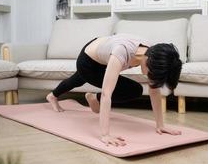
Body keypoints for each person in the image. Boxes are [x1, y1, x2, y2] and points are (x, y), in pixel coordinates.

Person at [46, 33, 183, 147]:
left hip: (101, 51)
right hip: (87, 61)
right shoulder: (122, 52)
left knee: (78, 79)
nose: (150, 77)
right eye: (151, 73)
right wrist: (105, 135)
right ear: (147, 59)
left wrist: (160, 125)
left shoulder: (152, 53)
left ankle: (53, 95)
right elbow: (107, 94)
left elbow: (154, 90)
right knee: (133, 89)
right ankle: (92, 97)